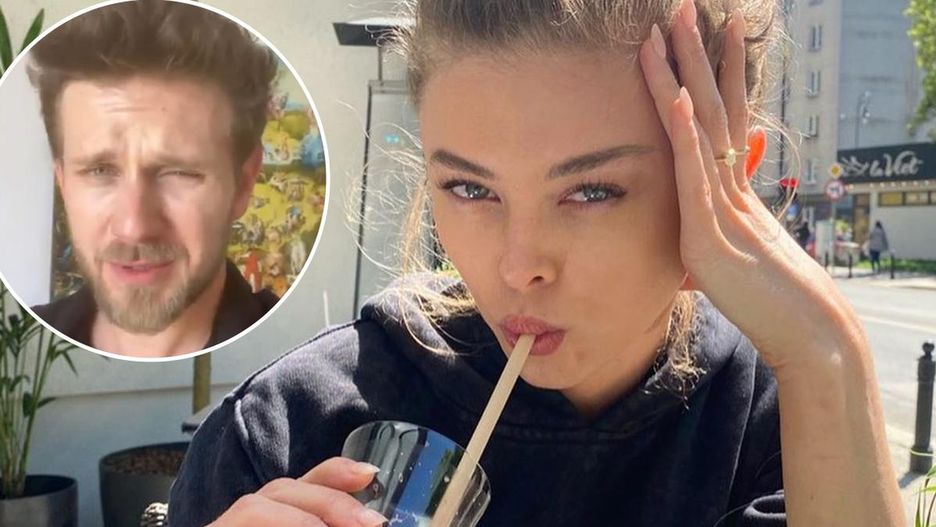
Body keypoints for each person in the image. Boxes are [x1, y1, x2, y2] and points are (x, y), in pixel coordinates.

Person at [169, 0, 904, 525]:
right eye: (470, 188)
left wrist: (829, 355)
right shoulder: (286, 432)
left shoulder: (779, 427)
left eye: (591, 191)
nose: (520, 266)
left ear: (718, 179)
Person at [27, 1, 280, 358]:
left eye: (178, 172)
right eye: (99, 171)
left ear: (243, 183)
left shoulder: (294, 361)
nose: (134, 228)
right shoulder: (28, 343)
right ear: (63, 182)